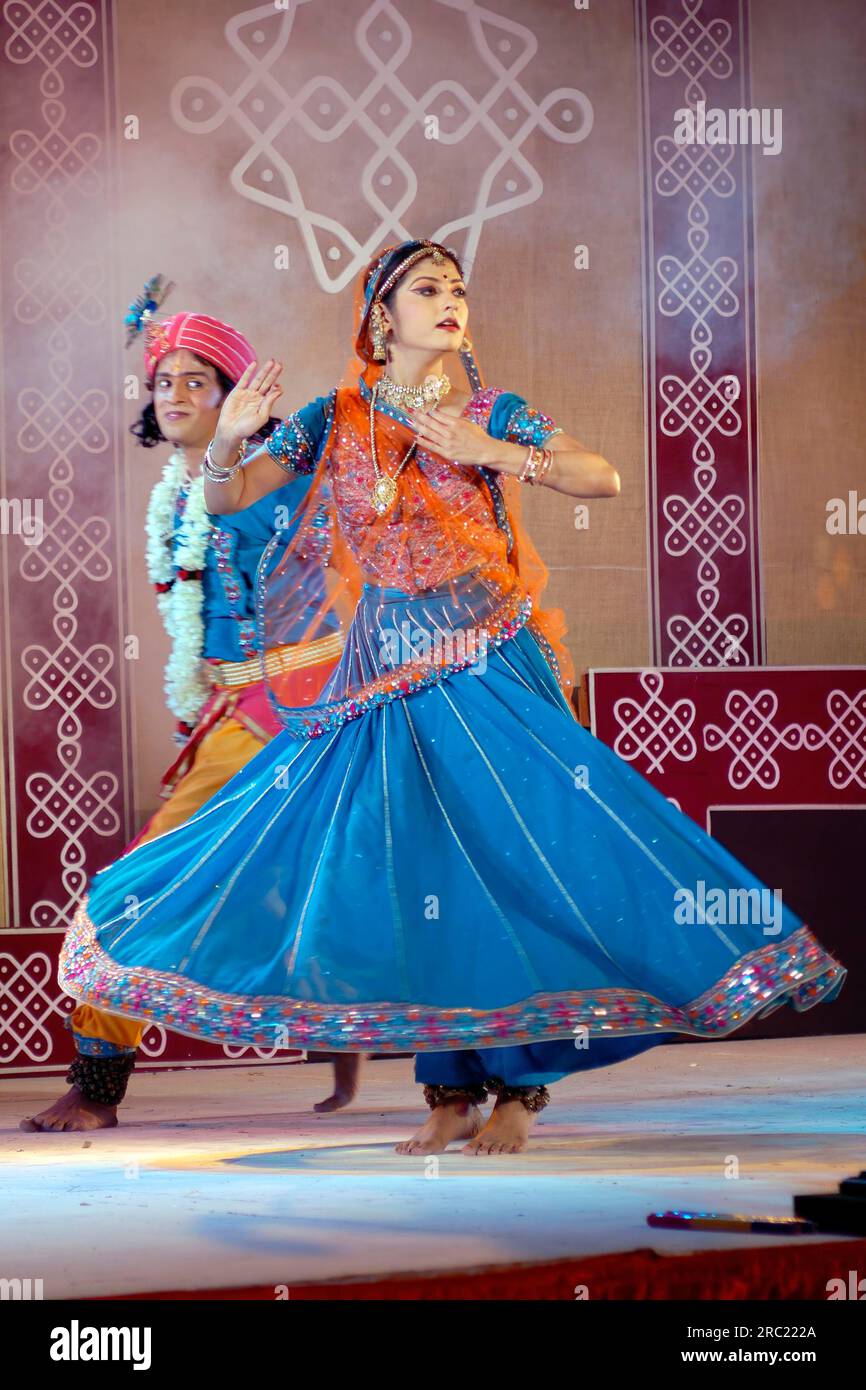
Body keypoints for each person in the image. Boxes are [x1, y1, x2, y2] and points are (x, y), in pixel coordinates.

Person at [56, 240, 846, 1155]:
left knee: (508, 864)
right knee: (416, 873)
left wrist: (495, 451)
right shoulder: (335, 415)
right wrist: (231, 435)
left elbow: (604, 476)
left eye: (458, 289)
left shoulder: (492, 410)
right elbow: (237, 495)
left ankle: (520, 1088)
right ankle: (447, 1092)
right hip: (382, 678)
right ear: (379, 317)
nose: (450, 301)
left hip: (487, 665)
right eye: (427, 289)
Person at [22, 307, 356, 1133]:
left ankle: (97, 1088)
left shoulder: (267, 481)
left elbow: (323, 542)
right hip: (229, 716)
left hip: (293, 716)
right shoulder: (179, 492)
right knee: (293, 892)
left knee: (138, 883)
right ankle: (348, 1040)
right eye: (162, 382)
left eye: (195, 381)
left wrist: (244, 447)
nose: (173, 394)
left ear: (234, 396)